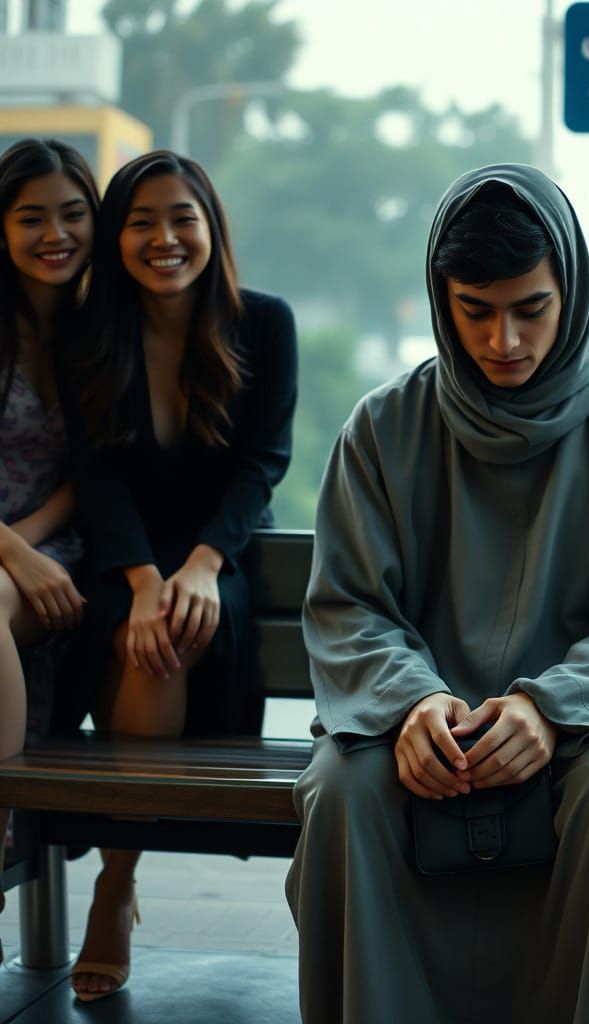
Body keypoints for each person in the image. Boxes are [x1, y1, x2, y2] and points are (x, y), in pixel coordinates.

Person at [287, 164, 589, 1024]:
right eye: (473, 310)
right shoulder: (381, 427)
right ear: (440, 299)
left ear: (571, 292)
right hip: (414, 725)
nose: (502, 339)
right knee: (342, 789)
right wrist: (413, 704)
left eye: (531, 308)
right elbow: (350, 606)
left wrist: (549, 708)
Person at [68, 150, 298, 1000]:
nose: (165, 238)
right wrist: (140, 577)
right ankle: (119, 880)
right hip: (122, 551)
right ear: (116, 238)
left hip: (218, 548)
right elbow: (96, 471)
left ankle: (115, 876)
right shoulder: (93, 333)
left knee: (167, 635)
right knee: (145, 642)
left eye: (182, 219)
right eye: (142, 222)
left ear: (211, 228)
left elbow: (264, 460)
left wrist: (200, 566)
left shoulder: (264, 323)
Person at [0, 138, 98, 964]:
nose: (54, 234)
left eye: (72, 214)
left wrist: (23, 551)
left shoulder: (101, 332)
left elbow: (95, 469)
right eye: (32, 217)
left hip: (55, 549)